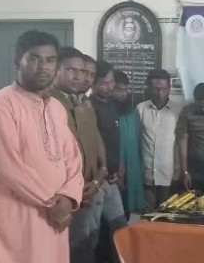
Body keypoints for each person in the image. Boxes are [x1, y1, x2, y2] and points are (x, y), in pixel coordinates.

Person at [0, 30, 84, 263]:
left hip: (55, 216)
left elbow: (73, 158)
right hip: (18, 217)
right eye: (35, 59)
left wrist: (68, 197)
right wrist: (52, 203)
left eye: (50, 60)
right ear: (18, 61)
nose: (44, 67)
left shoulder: (56, 107)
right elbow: (8, 168)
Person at [51, 47, 107, 263]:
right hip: (67, 193)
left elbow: (92, 139)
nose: (79, 77)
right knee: (73, 249)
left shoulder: (81, 102)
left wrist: (99, 175)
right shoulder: (50, 103)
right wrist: (71, 190)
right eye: (71, 70)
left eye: (82, 72)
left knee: (88, 242)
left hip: (90, 185)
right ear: (56, 70)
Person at [90, 61, 127, 263]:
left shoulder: (112, 105)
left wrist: (118, 168)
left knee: (120, 228)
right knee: (91, 235)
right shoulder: (89, 107)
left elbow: (114, 140)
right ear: (93, 83)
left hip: (112, 179)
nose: (111, 86)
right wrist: (101, 174)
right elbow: (92, 146)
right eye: (105, 83)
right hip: (96, 180)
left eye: (112, 81)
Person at [136, 69, 177, 210]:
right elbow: (136, 140)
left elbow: (181, 143)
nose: (160, 93)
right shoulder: (141, 109)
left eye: (163, 89)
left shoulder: (178, 111)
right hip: (146, 174)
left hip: (169, 175)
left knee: (166, 215)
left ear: (169, 88)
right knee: (147, 215)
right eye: (156, 89)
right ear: (149, 88)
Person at [112, 70, 146, 217]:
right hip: (113, 170)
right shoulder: (105, 111)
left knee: (126, 211)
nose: (123, 94)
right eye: (119, 90)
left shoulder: (132, 113)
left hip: (131, 169)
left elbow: (137, 141)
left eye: (126, 90)